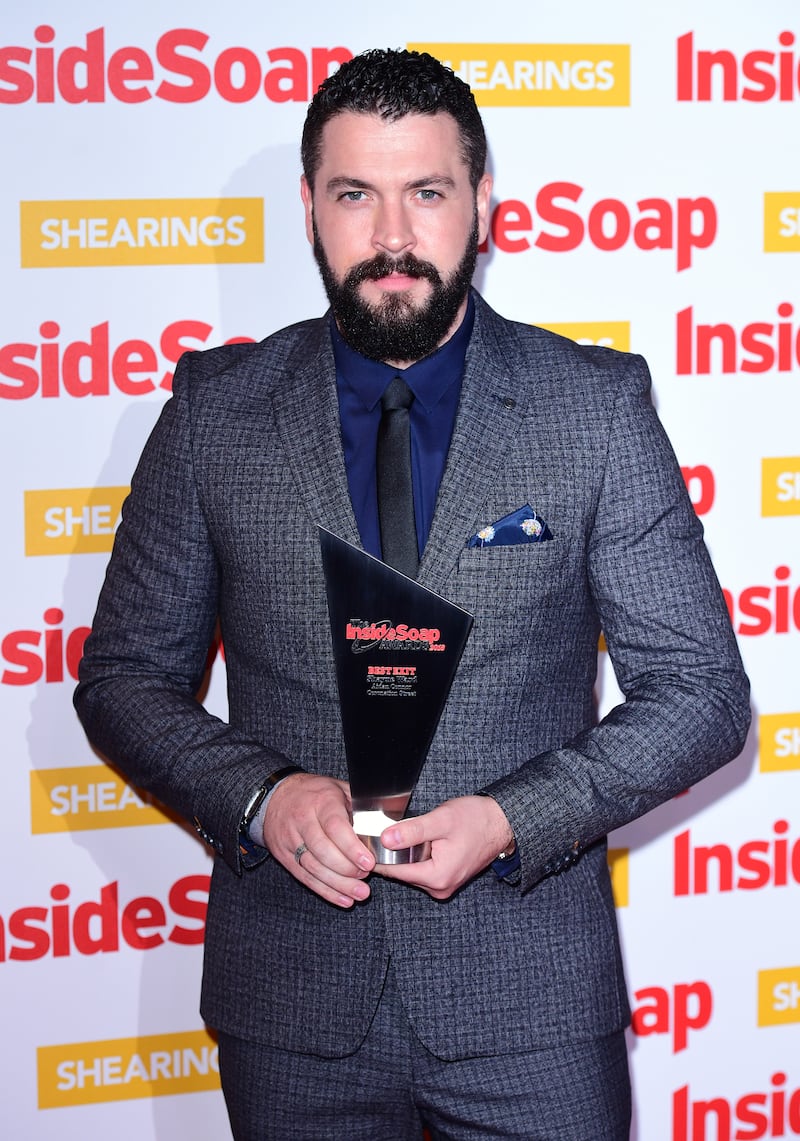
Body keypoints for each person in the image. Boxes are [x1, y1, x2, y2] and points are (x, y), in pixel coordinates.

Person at [75, 48, 750, 1141]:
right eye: (354, 194)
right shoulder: (215, 411)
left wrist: (510, 818)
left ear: (481, 204)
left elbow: (700, 692)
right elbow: (122, 680)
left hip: (526, 997)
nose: (391, 236)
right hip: (292, 1000)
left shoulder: (593, 408)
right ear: (307, 208)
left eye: (425, 192)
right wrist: (259, 795)